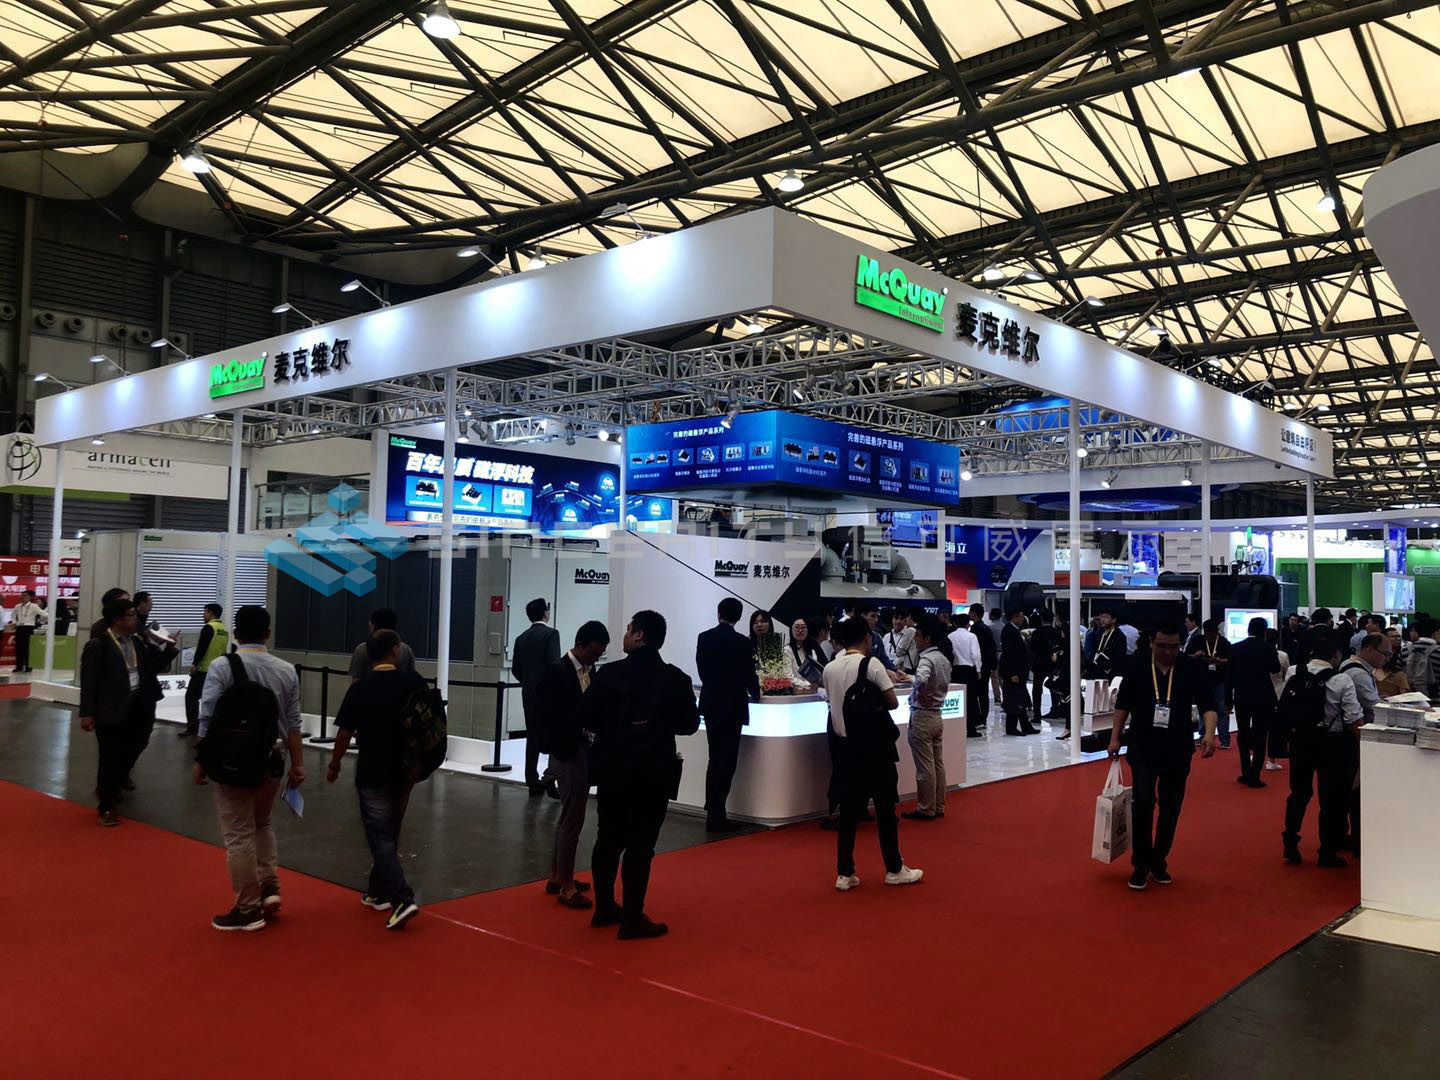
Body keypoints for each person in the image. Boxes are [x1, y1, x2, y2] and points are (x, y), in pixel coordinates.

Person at [583, 610, 700, 939]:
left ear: (638, 635)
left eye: (628, 629)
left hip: (613, 769)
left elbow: (588, 716)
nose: (625, 634)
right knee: (641, 845)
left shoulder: (609, 674)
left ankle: (604, 907)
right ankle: (632, 918)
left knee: (608, 839)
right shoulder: (675, 679)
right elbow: (689, 725)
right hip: (654, 771)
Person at [194, 605, 304, 931]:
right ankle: (270, 887)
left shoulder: (222, 666)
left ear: (236, 633)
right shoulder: (286, 670)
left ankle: (248, 908)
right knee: (262, 822)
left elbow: (207, 715)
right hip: (273, 758)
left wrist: (201, 759)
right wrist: (298, 765)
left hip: (231, 760)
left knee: (238, 832)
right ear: (267, 633)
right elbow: (293, 723)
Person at [327, 629, 429, 930]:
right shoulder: (413, 681)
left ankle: (401, 897)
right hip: (406, 768)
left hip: (373, 769)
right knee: (390, 829)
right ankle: (377, 891)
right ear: (395, 651)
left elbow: (345, 732)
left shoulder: (361, 688)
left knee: (379, 834)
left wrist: (334, 765)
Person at [1108, 624, 1219, 890]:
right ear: (1152, 642)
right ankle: (1140, 863)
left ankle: (1159, 860)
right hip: (1142, 746)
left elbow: (1208, 704)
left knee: (1171, 807)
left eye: (1173, 647)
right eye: (1162, 646)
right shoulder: (1137, 665)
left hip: (1178, 748)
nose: (1168, 652)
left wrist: (1209, 734)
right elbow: (1123, 704)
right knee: (1143, 802)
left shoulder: (1191, 667)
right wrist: (1114, 737)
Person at [821, 614, 923, 890]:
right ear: (867, 638)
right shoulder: (871, 663)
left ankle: (845, 873)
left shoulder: (830, 668)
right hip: (875, 748)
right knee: (885, 810)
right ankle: (894, 868)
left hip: (845, 748)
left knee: (848, 813)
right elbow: (892, 702)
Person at [535, 620, 610, 909]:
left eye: (599, 655)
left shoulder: (590, 671)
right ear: (579, 645)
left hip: (581, 751)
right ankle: (566, 886)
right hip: (567, 752)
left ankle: (558, 876)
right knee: (573, 819)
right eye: (593, 653)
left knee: (569, 816)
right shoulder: (557, 672)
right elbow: (548, 716)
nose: (595, 659)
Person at [1281, 628, 1362, 868]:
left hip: (1299, 741)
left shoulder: (1294, 672)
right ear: (1336, 655)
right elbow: (1353, 718)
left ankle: (1290, 842)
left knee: (1298, 794)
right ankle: (1327, 852)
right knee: (1331, 800)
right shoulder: (1342, 680)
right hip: (1331, 744)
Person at [78, 598, 146, 827]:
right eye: (131, 615)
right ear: (117, 620)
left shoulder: (135, 642)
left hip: (134, 709)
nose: (135, 619)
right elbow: (89, 682)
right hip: (110, 712)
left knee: (127, 754)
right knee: (109, 758)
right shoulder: (99, 645)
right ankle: (106, 805)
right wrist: (87, 713)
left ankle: (112, 790)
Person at [696, 598, 761, 832]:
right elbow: (749, 674)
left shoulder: (704, 638)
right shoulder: (743, 642)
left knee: (714, 759)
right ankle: (717, 813)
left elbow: (702, 671)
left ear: (718, 613)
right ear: (739, 617)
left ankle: (713, 811)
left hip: (712, 705)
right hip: (733, 707)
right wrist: (756, 693)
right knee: (727, 762)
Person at [1338, 632, 1389, 856]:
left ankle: (1348, 836)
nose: (1386, 658)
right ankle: (1356, 840)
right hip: (1356, 734)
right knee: (1355, 790)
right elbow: (1372, 703)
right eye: (1385, 654)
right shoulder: (1358, 673)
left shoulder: (1353, 667)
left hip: (1353, 733)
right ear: (1369, 649)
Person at [124, 594, 178, 789]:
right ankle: (116, 780)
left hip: (145, 693)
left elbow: (153, 663)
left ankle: (122, 772)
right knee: (128, 739)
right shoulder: (120, 638)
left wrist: (166, 648)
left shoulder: (143, 632)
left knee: (142, 735)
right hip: (129, 695)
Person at [903, 615, 952, 822]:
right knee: (937, 763)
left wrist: (914, 685)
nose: (915, 639)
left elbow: (922, 679)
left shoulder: (926, 659)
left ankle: (926, 807)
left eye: (918, 635)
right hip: (936, 714)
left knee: (925, 766)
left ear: (927, 638)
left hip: (922, 715)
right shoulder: (943, 658)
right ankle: (938, 805)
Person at [512, 597, 562, 797]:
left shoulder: (521, 638)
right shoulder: (551, 634)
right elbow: (554, 665)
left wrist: (528, 682)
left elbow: (516, 669)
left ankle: (532, 781)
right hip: (548, 695)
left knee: (532, 736)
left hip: (528, 694)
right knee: (554, 735)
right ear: (545, 613)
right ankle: (550, 778)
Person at [1228, 617, 1281, 788]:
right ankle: (1255, 774)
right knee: (1261, 734)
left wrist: (1228, 700)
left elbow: (1229, 677)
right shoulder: (1268, 648)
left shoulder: (1235, 648)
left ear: (1248, 629)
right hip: (1263, 697)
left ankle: (1245, 771)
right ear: (1264, 631)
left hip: (1242, 697)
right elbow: (1275, 668)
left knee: (1242, 734)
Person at [181, 603, 227, 738]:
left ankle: (192, 727)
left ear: (211, 613)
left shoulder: (208, 628)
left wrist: (194, 664)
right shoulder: (224, 630)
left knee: (191, 697)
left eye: (205, 612)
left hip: (203, 669)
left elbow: (202, 648)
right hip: (218, 669)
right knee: (212, 699)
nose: (203, 615)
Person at [1186, 618, 1233, 749]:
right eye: (1207, 633)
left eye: (1212, 633)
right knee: (1203, 708)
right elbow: (1186, 656)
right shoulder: (1197, 641)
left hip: (1220, 680)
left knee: (1222, 710)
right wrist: (1195, 655)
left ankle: (1224, 739)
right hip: (1202, 680)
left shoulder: (1224, 643)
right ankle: (1203, 736)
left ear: (1216, 632)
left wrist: (1217, 661)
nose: (1209, 636)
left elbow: (1230, 660)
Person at [349, 607, 417, 681]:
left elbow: (356, 680)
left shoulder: (362, 649)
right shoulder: (406, 649)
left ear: (373, 626)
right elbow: (411, 677)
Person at [750, 610, 809, 691]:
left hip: (773, 689)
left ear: (770, 624)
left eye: (763, 621)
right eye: (755, 622)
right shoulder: (747, 646)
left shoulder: (777, 647)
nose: (759, 625)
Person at [998, 609, 1036, 736]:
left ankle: (1025, 725)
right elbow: (1009, 654)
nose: (1023, 619)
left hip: (1020, 671)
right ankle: (1011, 727)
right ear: (1014, 617)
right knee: (1014, 699)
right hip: (1013, 672)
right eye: (1021, 616)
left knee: (1020, 698)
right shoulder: (1009, 631)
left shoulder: (1014, 630)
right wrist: (1012, 673)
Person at [948, 614, 984, 738]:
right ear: (968, 623)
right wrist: (978, 670)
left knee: (957, 698)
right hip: (969, 671)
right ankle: (971, 728)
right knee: (971, 699)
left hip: (955, 670)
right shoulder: (971, 636)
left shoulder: (950, 636)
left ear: (955, 623)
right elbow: (976, 655)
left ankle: (956, 727)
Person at [1264, 627, 1291, 771]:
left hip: (1262, 693)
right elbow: (1287, 675)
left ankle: (1256, 753)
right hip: (1278, 692)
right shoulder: (1282, 655)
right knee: (1275, 728)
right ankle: (1271, 759)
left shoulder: (1258, 654)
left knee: (1259, 725)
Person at [969, 603, 996, 729]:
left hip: (980, 665)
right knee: (983, 692)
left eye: (970, 612)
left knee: (977, 692)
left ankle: (979, 718)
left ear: (974, 614)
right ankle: (983, 718)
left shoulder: (976, 629)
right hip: (987, 664)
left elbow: (976, 650)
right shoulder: (986, 628)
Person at [1403, 617, 1440, 703]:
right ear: (1436, 632)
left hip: (1410, 699)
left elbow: (1399, 671)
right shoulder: (1438, 651)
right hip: (1436, 700)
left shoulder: (1405, 649)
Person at [1083, 611, 1127, 682]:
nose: (1102, 619)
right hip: (1095, 671)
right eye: (1101, 616)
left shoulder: (1119, 636)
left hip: (1110, 672)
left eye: (1106, 617)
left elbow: (1120, 656)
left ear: (1113, 620)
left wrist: (1107, 664)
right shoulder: (1097, 633)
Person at [10, 589, 45, 673]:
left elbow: (43, 614)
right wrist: (14, 622)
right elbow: (13, 615)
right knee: (18, 648)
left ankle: (28, 667)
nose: (22, 597)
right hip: (19, 628)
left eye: (25, 595)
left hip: (28, 628)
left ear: (30, 597)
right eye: (22, 595)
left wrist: (50, 617)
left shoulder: (34, 606)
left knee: (27, 648)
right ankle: (19, 667)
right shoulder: (18, 606)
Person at [787, 616, 827, 686]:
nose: (800, 630)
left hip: (813, 690)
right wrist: (808, 684)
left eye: (803, 627)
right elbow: (788, 678)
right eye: (797, 627)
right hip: (796, 690)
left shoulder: (812, 651)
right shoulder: (787, 650)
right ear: (791, 630)